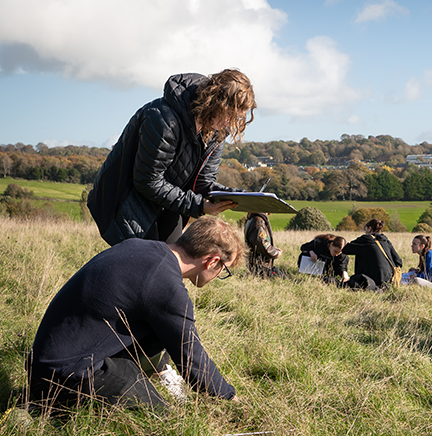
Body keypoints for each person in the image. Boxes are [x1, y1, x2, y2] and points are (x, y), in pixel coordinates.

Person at [26, 217, 243, 413]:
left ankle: (145, 374)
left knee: (160, 331)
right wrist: (229, 397)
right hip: (65, 377)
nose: (220, 274)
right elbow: (191, 359)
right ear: (212, 261)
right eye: (224, 269)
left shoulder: (141, 247)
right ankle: (41, 408)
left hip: (51, 362)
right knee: (160, 414)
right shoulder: (166, 286)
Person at [87, 69, 257, 245]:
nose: (230, 123)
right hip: (126, 204)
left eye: (236, 118)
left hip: (169, 204)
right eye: (229, 114)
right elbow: (147, 181)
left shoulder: (217, 131)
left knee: (170, 263)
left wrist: (250, 200)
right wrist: (199, 206)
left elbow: (203, 183)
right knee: (145, 265)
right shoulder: (163, 119)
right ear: (215, 102)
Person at [342, 219, 402, 290]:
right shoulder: (386, 241)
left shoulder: (365, 239)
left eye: (365, 229)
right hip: (390, 281)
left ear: (369, 228)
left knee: (360, 251)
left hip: (371, 281)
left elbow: (345, 249)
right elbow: (398, 261)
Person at [244, 212, 282, 277]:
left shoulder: (253, 219)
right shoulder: (258, 221)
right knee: (283, 281)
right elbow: (261, 243)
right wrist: (276, 253)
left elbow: (258, 241)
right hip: (261, 267)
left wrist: (272, 247)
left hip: (257, 265)